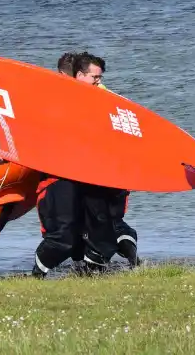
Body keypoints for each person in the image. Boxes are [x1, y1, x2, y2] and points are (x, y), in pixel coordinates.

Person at [71, 51, 140, 267]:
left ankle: (113, 261)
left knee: (106, 221)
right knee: (102, 221)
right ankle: (127, 260)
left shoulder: (105, 99)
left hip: (106, 173)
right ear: (80, 75)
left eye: (99, 77)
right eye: (95, 77)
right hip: (96, 172)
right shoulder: (78, 96)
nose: (98, 81)